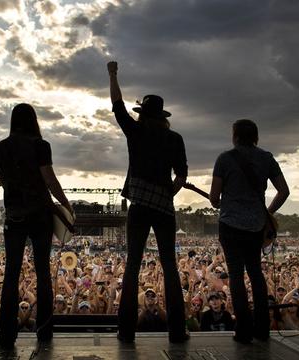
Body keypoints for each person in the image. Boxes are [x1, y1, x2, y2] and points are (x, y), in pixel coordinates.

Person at [107, 61, 189, 343]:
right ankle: (178, 331)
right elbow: (182, 175)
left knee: (133, 264)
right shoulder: (174, 138)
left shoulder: (136, 132)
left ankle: (126, 331)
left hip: (139, 205)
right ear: (163, 116)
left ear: (143, 114)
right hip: (164, 207)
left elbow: (118, 107)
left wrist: (113, 75)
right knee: (169, 265)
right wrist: (168, 194)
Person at [0, 103, 74, 348]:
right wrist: (66, 205)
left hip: (14, 216)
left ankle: (6, 335)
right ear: (33, 121)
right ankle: (45, 332)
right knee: (43, 274)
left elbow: (3, 182)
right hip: (40, 215)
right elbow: (49, 179)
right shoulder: (41, 146)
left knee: (11, 274)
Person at [209, 119, 289, 343]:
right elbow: (283, 191)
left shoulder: (224, 159)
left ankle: (243, 330)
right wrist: (267, 213)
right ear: (256, 136)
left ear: (234, 136)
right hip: (256, 226)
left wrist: (222, 198)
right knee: (256, 273)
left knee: (235, 275)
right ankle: (263, 329)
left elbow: (214, 198)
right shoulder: (267, 158)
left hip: (230, 226)